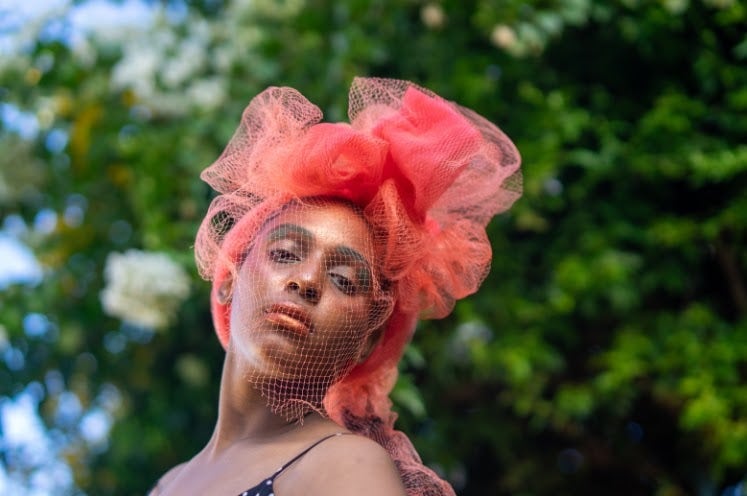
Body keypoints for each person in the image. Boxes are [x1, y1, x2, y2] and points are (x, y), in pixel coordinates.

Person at [150, 77, 521, 496]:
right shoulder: (167, 484)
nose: (307, 281)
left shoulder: (347, 467)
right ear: (229, 278)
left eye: (344, 280)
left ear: (368, 340)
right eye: (286, 253)